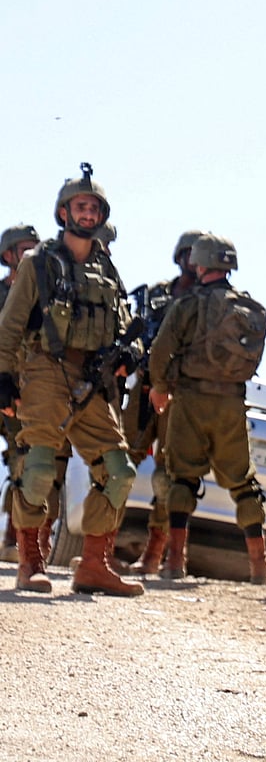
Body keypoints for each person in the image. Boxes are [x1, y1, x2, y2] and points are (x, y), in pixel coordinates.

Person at [0, 164, 144, 596]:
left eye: (94, 206)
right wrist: (4, 379)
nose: (87, 213)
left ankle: (95, 564)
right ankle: (30, 560)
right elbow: (9, 326)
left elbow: (125, 324)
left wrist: (131, 355)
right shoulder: (39, 263)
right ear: (64, 213)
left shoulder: (106, 269)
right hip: (46, 368)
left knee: (119, 471)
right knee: (40, 466)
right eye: (80, 206)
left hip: (95, 377)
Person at [147, 233, 266, 584]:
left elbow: (161, 351)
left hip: (190, 399)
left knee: (182, 479)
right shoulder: (249, 308)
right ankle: (260, 567)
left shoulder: (188, 304)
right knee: (244, 483)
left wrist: (159, 388)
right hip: (232, 402)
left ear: (199, 264)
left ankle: (174, 563)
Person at [124, 230, 202, 575]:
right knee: (119, 461)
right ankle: (101, 547)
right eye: (189, 255)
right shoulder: (156, 293)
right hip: (144, 387)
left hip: (181, 394)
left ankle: (159, 554)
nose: (193, 262)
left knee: (168, 476)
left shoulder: (209, 303)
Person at [0, 224, 46, 564]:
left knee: (22, 460)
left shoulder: (43, 295)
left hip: (22, 390)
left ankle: (13, 539)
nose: (31, 253)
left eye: (36, 247)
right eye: (25, 248)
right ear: (8, 255)